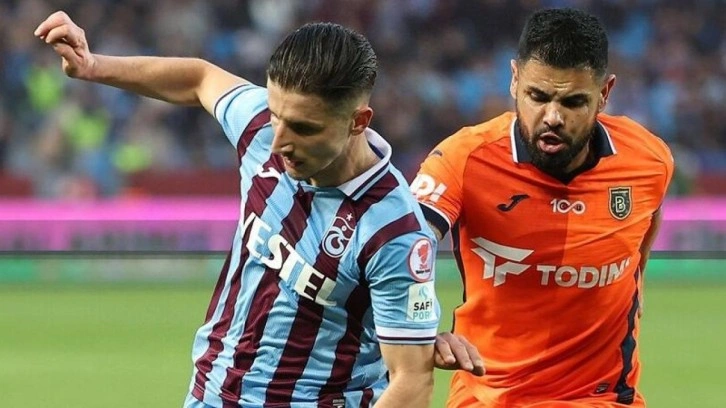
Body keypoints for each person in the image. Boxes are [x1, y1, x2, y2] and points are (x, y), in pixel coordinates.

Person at [35, 11, 442, 408]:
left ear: (358, 121)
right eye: (276, 116)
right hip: (209, 396)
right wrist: (93, 66)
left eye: (304, 128)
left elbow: (411, 381)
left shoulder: (394, 231)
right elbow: (199, 78)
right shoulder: (262, 130)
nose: (279, 141)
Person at [414, 8, 674, 407]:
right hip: (489, 397)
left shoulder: (649, 161)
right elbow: (399, 246)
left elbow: (638, 260)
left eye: (574, 102)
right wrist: (417, 328)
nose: (553, 117)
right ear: (514, 79)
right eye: (537, 96)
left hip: (602, 398)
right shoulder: (463, 159)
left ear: (605, 93)